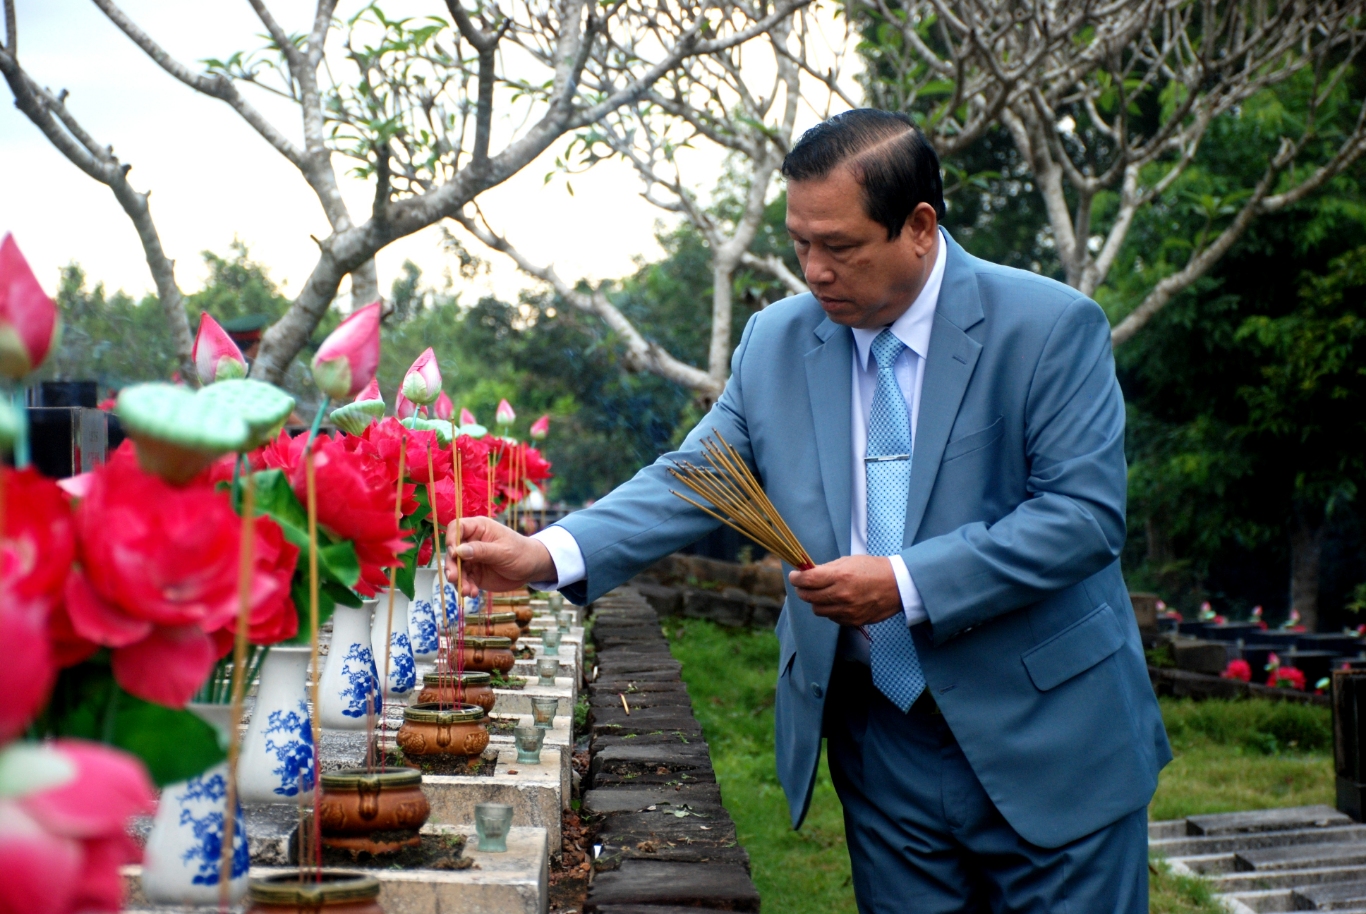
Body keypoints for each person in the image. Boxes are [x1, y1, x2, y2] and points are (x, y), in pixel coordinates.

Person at [448, 108, 1171, 912]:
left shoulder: (1047, 327)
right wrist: (544, 553)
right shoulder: (778, 342)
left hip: (1049, 737)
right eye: (801, 245)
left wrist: (902, 581)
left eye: (841, 247)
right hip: (881, 743)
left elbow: (1082, 517)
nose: (815, 271)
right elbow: (697, 475)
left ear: (920, 227)